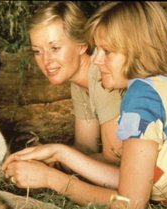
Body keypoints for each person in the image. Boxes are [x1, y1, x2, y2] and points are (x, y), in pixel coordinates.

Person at [3, 1, 167, 209]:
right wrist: (58, 153)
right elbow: (130, 174)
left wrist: (51, 178)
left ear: (136, 49)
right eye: (37, 51)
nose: (97, 59)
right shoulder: (158, 86)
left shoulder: (140, 96)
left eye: (107, 51)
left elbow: (129, 206)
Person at [27, 1, 122, 163]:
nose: (46, 61)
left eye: (55, 48)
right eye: (37, 51)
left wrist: (53, 164)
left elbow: (115, 161)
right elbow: (86, 149)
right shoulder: (79, 84)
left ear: (82, 45)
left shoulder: (102, 78)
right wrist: (41, 158)